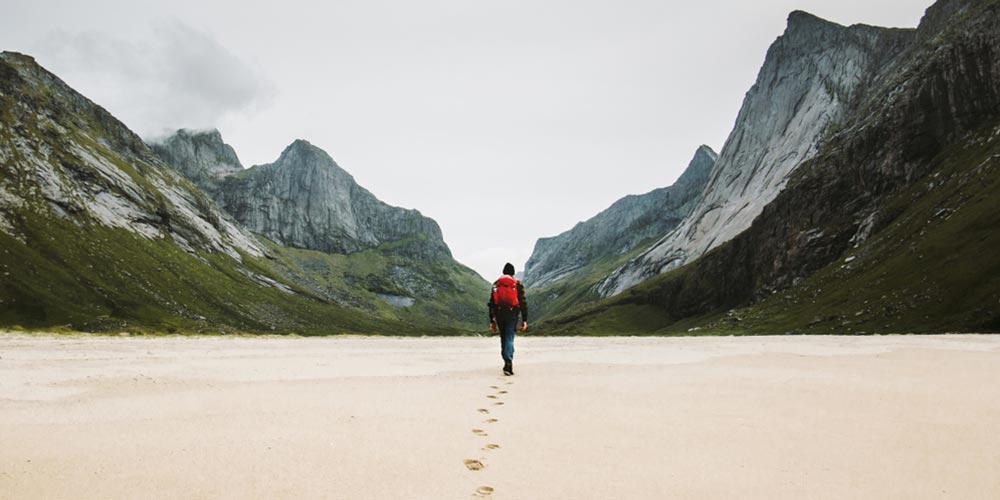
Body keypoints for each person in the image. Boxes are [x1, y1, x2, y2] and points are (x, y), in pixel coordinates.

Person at [488, 262, 528, 376]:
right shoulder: (517, 284)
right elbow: (523, 303)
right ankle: (508, 362)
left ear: (503, 272)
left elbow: (492, 303)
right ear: (513, 273)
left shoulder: (496, 284)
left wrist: (492, 320)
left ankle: (505, 360)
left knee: (503, 337)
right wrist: (524, 320)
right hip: (512, 314)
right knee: (510, 337)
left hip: (499, 314)